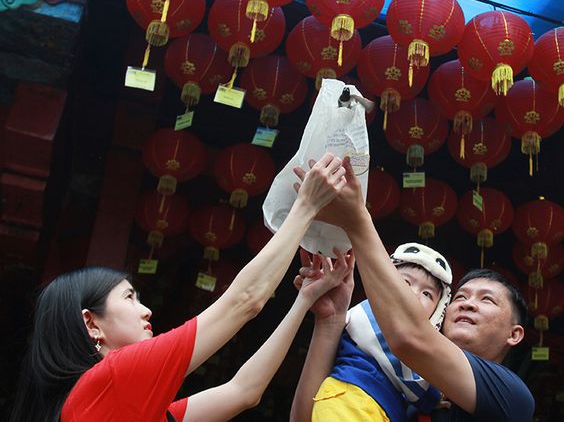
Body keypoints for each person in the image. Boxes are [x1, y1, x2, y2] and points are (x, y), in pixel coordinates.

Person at [11, 153, 349, 422]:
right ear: (90, 322)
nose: (146, 310)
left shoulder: (125, 401)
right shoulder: (112, 377)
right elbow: (244, 301)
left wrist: (303, 302)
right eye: (129, 298)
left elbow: (245, 391)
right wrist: (305, 207)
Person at [291, 157, 535, 422]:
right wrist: (330, 320)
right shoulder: (408, 397)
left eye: (487, 300)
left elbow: (409, 339)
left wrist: (357, 222)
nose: (467, 303)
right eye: (461, 297)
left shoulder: (513, 397)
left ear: (515, 334)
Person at [310, 243, 452, 422]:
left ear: (438, 311)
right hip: (350, 398)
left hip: (376, 408)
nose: (414, 294)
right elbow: (401, 363)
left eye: (427, 294)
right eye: (405, 282)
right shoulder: (371, 312)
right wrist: (431, 396)